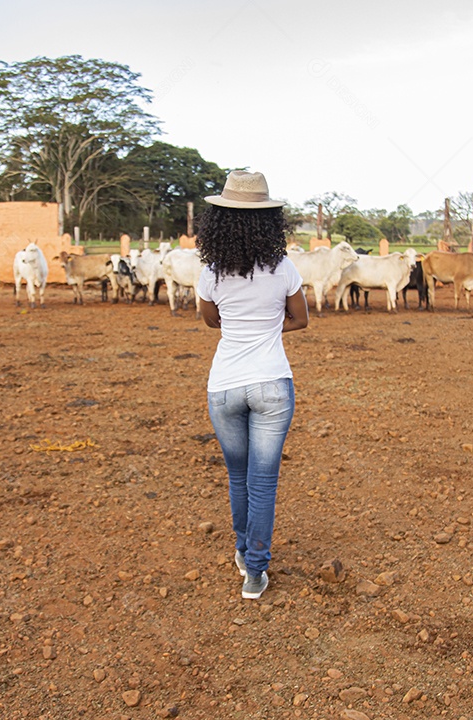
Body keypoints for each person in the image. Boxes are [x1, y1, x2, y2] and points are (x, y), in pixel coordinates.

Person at [196, 170, 309, 600]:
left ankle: (243, 551)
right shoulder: (283, 267)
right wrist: (267, 326)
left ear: (219, 220)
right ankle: (255, 573)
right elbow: (301, 319)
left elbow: (211, 320)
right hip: (272, 387)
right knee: (263, 483)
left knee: (237, 477)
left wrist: (242, 325)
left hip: (224, 386)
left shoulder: (211, 271)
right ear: (269, 221)